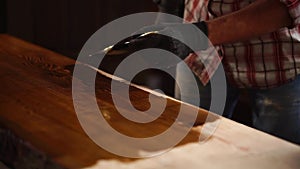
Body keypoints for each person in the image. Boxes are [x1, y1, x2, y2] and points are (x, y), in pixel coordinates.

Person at [150, 0, 300, 144]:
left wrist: (196, 35)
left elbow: (289, 6)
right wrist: (168, 7)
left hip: (276, 58)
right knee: (188, 143)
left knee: (276, 155)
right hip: (199, 54)